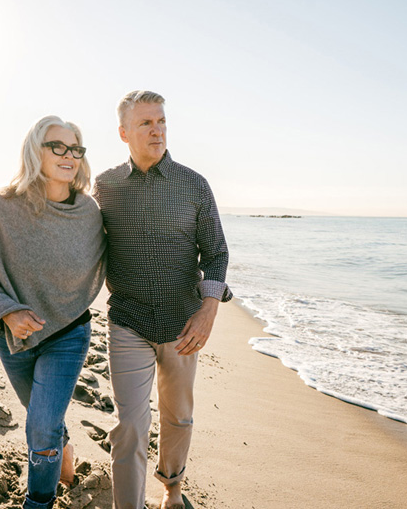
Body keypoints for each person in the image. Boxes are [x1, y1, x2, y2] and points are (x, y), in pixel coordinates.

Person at [93, 91, 232, 509]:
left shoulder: (193, 184)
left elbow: (217, 253)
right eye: (146, 123)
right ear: (124, 133)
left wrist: (208, 310)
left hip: (183, 324)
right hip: (128, 320)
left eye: (161, 121)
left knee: (178, 418)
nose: (157, 130)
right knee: (131, 426)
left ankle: (172, 487)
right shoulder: (106, 186)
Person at [0, 115, 106, 509]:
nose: (68, 155)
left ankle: (38, 502)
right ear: (34, 150)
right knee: (45, 420)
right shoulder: (1, 207)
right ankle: (65, 447)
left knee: (40, 425)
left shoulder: (89, 213)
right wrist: (7, 312)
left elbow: (121, 257)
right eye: (57, 146)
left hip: (69, 333)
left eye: (75, 149)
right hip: (13, 336)